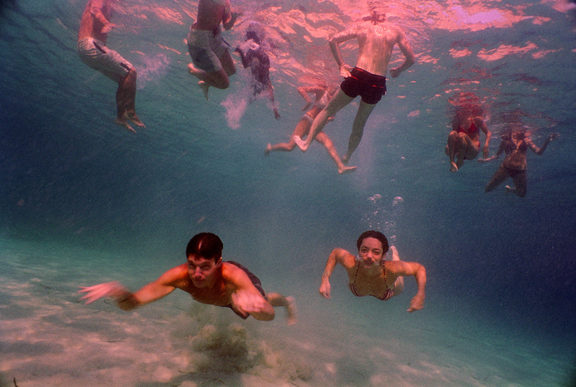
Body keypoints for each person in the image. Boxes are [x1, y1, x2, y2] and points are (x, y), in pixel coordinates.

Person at [80, 232, 297, 324]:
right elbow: (132, 304)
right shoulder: (179, 277)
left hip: (235, 293)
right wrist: (118, 291)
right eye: (192, 265)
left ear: (218, 262)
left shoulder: (235, 278)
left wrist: (258, 308)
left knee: (259, 301)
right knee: (244, 306)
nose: (197, 274)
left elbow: (268, 317)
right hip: (223, 297)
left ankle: (287, 302)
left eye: (205, 267)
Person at [294, 6, 415, 164]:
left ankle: (306, 143)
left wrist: (341, 65)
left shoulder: (362, 27)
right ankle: (348, 156)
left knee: (329, 109)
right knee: (360, 123)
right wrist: (399, 70)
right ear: (387, 15)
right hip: (378, 82)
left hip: (359, 75)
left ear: (372, 13)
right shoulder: (396, 31)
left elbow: (332, 40)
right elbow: (411, 59)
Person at [77, 0, 145, 133]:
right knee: (131, 71)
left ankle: (121, 117)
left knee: (124, 78)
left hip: (86, 49)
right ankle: (131, 112)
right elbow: (95, 10)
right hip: (91, 45)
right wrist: (106, 23)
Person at [319, 230, 426, 312]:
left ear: (383, 255)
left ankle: (395, 255)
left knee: (398, 273)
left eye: (376, 252)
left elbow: (419, 268)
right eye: (364, 250)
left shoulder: (391, 269)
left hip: (389, 290)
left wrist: (420, 294)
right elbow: (335, 253)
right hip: (360, 288)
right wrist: (325, 279)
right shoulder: (351, 263)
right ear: (358, 251)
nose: (369, 256)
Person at [265, 83, 357, 174]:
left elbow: (331, 117)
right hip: (307, 120)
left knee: (328, 142)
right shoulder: (321, 91)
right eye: (335, 86)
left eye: (338, 88)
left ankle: (341, 167)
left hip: (316, 126)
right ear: (329, 85)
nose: (336, 88)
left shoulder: (334, 101)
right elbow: (301, 88)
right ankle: (271, 148)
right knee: (290, 147)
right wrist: (308, 101)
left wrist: (329, 118)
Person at [481, 125, 557, 197]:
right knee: (488, 188)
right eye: (516, 130)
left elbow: (539, 152)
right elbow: (497, 155)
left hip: (520, 171)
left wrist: (547, 141)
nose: (519, 131)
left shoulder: (526, 140)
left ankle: (510, 190)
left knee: (522, 194)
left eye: (520, 130)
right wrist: (486, 160)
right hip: (505, 168)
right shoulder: (506, 140)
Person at [187, 0, 240, 99]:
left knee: (230, 70)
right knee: (224, 84)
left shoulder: (227, 2)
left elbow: (226, 26)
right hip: (201, 38)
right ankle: (193, 71)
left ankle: (206, 83)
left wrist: (234, 16)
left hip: (215, 36)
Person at [235, 25, 280, 119]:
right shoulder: (251, 52)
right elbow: (245, 65)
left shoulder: (262, 53)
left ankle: (275, 110)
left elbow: (266, 67)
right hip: (256, 79)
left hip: (263, 79)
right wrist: (241, 53)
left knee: (266, 94)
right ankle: (245, 108)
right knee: (252, 96)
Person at [445, 104, 492, 172]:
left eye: (467, 110)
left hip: (471, 150)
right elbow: (453, 138)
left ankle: (460, 161)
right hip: (460, 148)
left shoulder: (476, 120)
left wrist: (486, 145)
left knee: (462, 135)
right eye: (463, 110)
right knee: (452, 134)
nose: (464, 111)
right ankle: (452, 161)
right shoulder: (457, 121)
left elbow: (488, 133)